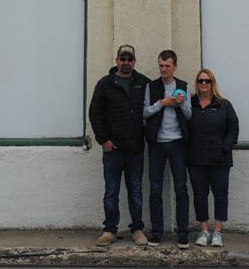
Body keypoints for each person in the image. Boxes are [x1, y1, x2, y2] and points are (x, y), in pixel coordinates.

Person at [88, 44, 151, 247]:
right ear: (116, 61)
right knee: (111, 191)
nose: (126, 62)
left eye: (129, 59)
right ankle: (109, 230)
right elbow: (94, 113)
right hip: (113, 149)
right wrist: (103, 140)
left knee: (135, 191)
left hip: (136, 149)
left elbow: (155, 106)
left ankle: (137, 229)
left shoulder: (143, 82)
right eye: (122, 59)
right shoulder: (105, 84)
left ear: (134, 61)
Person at [142, 49, 192, 248]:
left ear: (174, 66)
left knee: (181, 188)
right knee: (155, 189)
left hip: (178, 143)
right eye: (161, 65)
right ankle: (156, 232)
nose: (163, 69)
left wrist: (181, 104)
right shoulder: (151, 86)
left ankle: (183, 233)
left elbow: (189, 115)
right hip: (157, 144)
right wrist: (161, 103)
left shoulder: (183, 86)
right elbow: (144, 112)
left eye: (167, 66)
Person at [187, 68, 239, 248]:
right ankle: (203, 231)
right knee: (199, 195)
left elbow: (233, 127)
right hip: (196, 159)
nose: (203, 84)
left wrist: (225, 147)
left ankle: (217, 232)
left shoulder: (224, 105)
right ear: (196, 83)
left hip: (219, 160)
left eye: (207, 81)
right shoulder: (190, 104)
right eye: (200, 81)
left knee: (220, 195)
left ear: (212, 83)